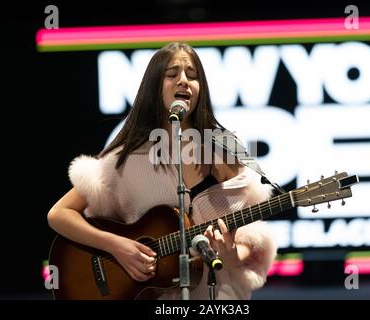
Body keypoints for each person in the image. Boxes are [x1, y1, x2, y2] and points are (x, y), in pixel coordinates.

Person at [47, 42, 277, 300]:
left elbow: (249, 236)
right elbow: (59, 214)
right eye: (172, 74)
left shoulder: (224, 153)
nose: (183, 81)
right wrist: (117, 246)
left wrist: (231, 255)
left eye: (192, 76)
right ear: (155, 88)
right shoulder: (126, 160)